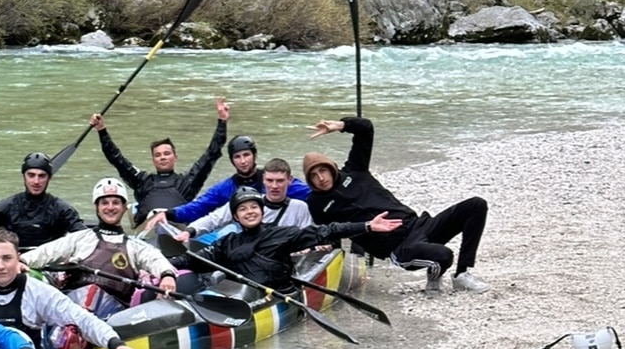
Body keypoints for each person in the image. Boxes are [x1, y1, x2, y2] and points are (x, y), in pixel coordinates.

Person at [303, 116, 490, 293]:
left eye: (323, 171)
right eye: (313, 176)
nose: (320, 178)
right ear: (310, 181)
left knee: (476, 205)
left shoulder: (355, 170)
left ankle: (462, 274)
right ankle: (434, 277)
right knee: (444, 255)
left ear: (331, 168)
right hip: (398, 248)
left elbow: (366, 129)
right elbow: (331, 233)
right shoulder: (316, 203)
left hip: (419, 225)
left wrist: (341, 126)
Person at [0, 229, 138, 349]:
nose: (1, 266)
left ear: (18, 258)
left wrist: (116, 345)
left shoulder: (38, 291)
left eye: (7, 258)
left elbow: (82, 319)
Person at [21, 177, 178, 318]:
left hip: (114, 317)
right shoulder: (80, 238)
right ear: (97, 207)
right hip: (74, 310)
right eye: (104, 203)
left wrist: (167, 275)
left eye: (116, 202)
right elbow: (45, 252)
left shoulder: (135, 246)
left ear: (124, 207)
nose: (110, 207)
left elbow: (154, 258)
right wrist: (21, 261)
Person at [201, 187, 401, 292]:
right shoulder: (226, 242)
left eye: (254, 207)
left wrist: (366, 226)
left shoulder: (283, 234)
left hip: (275, 295)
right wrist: (168, 272)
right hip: (239, 297)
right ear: (235, 217)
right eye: (243, 209)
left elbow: (327, 231)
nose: (249, 212)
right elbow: (194, 259)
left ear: (261, 211)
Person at [90, 97, 230, 224]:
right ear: (153, 160)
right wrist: (102, 131)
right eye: (158, 155)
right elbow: (116, 159)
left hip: (177, 233)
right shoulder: (142, 181)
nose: (162, 157)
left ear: (175, 157)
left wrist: (222, 121)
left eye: (167, 153)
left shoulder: (187, 182)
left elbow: (211, 153)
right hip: (147, 232)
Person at [144, 134, 308, 234]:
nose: (243, 161)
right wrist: (168, 214)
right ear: (232, 161)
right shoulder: (225, 188)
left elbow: (313, 194)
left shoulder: (273, 179)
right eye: (237, 157)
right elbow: (198, 207)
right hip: (242, 235)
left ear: (254, 155)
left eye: (246, 155)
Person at [0, 153, 86, 251]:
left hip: (49, 265)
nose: (36, 181)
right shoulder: (7, 206)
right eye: (31, 175)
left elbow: (84, 237)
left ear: (49, 178)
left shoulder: (62, 209)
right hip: (16, 262)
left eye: (41, 176)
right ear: (23, 177)